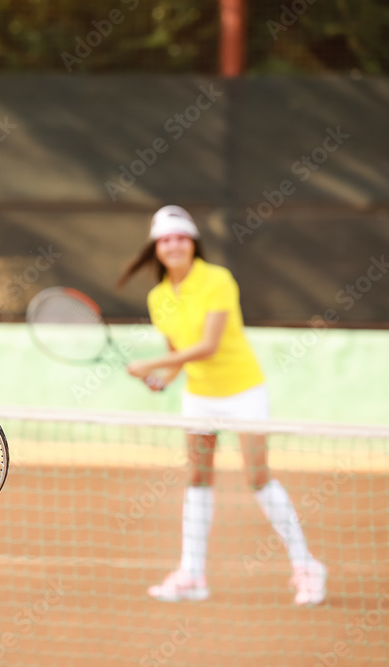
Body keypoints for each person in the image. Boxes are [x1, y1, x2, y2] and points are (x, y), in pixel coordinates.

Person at [117, 205, 326, 606]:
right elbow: (179, 353)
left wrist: (151, 364)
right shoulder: (159, 297)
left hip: (243, 389)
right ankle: (192, 575)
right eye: (165, 239)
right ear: (156, 248)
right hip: (200, 396)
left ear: (193, 243)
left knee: (258, 478)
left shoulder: (217, 280)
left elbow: (208, 346)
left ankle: (306, 566)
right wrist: (162, 379)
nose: (173, 245)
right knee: (197, 478)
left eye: (180, 237)